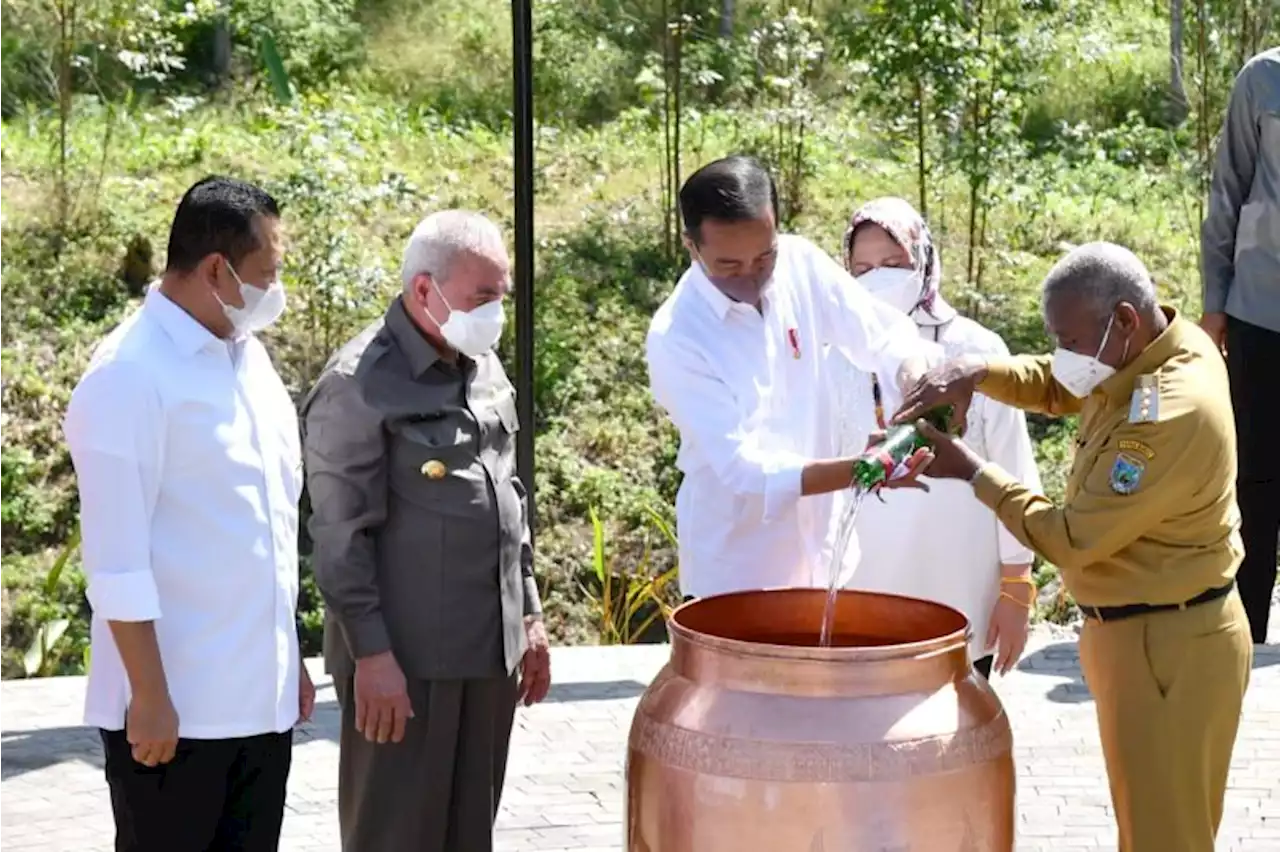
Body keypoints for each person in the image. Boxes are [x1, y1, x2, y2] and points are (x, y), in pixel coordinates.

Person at [896, 242, 1252, 852]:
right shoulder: (1158, 346)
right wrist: (977, 371)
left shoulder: (1167, 414)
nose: (1064, 356)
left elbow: (1072, 538)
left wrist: (974, 472)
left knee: (1166, 838)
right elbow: (1061, 387)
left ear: (1124, 319)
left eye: (1072, 340)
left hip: (1167, 646)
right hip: (1144, 634)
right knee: (1146, 826)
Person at [63, 176, 314, 852]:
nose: (276, 289)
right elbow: (116, 561)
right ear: (215, 270)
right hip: (173, 714)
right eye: (268, 273)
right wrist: (148, 697)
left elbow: (267, 527)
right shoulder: (129, 376)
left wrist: (287, 661)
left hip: (258, 706)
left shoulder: (249, 359)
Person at [301, 210, 551, 852]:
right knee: (395, 834)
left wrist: (530, 613)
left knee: (470, 835)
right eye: (482, 298)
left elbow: (509, 497)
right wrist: (373, 658)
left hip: (487, 653)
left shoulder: (481, 362)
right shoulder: (359, 385)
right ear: (423, 291)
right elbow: (338, 537)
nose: (495, 313)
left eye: (501, 296)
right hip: (404, 664)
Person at [646, 155, 942, 601]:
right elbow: (743, 470)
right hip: (738, 576)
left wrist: (918, 389)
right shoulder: (678, 336)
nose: (751, 275)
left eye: (765, 256)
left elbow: (883, 335)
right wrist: (862, 470)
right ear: (692, 245)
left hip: (825, 561)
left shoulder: (800, 265)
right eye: (729, 265)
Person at [829, 197, 1042, 678]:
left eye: (892, 263)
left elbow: (1013, 469)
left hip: (960, 586)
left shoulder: (976, 351)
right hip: (861, 591)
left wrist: (1016, 585)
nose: (877, 279)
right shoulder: (835, 355)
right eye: (862, 268)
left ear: (922, 259)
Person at [1199, 47, 1280, 644]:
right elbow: (1227, 189)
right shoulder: (1262, 78)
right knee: (1255, 468)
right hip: (1260, 303)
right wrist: (1214, 301)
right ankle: (1247, 625)